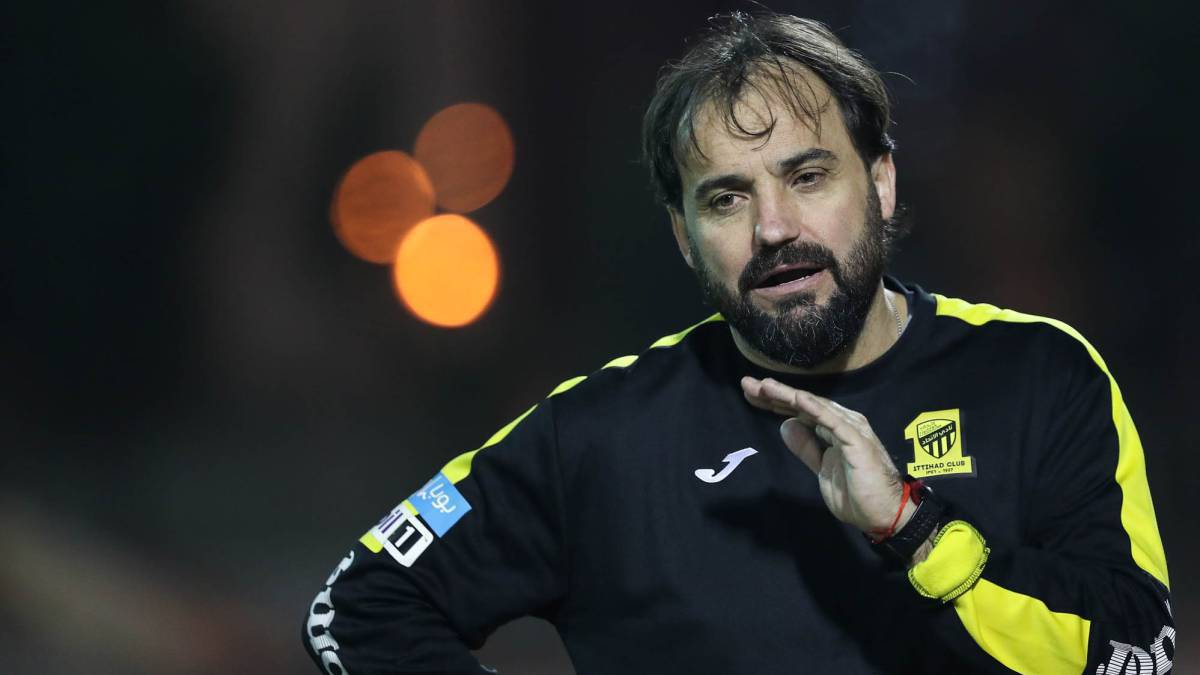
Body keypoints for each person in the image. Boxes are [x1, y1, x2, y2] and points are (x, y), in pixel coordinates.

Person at [303, 11, 1174, 674]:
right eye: (725, 198)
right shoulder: (596, 437)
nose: (773, 227)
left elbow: (1136, 651)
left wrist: (913, 527)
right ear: (683, 237)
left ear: (880, 181)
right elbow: (358, 605)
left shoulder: (1039, 373)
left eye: (807, 176)